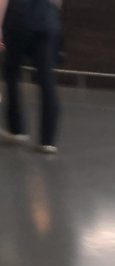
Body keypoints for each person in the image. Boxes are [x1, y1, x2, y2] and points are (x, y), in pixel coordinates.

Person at [0, 0, 61, 153]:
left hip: (19, 16)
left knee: (12, 72)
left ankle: (17, 130)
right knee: (47, 77)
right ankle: (48, 141)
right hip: (48, 17)